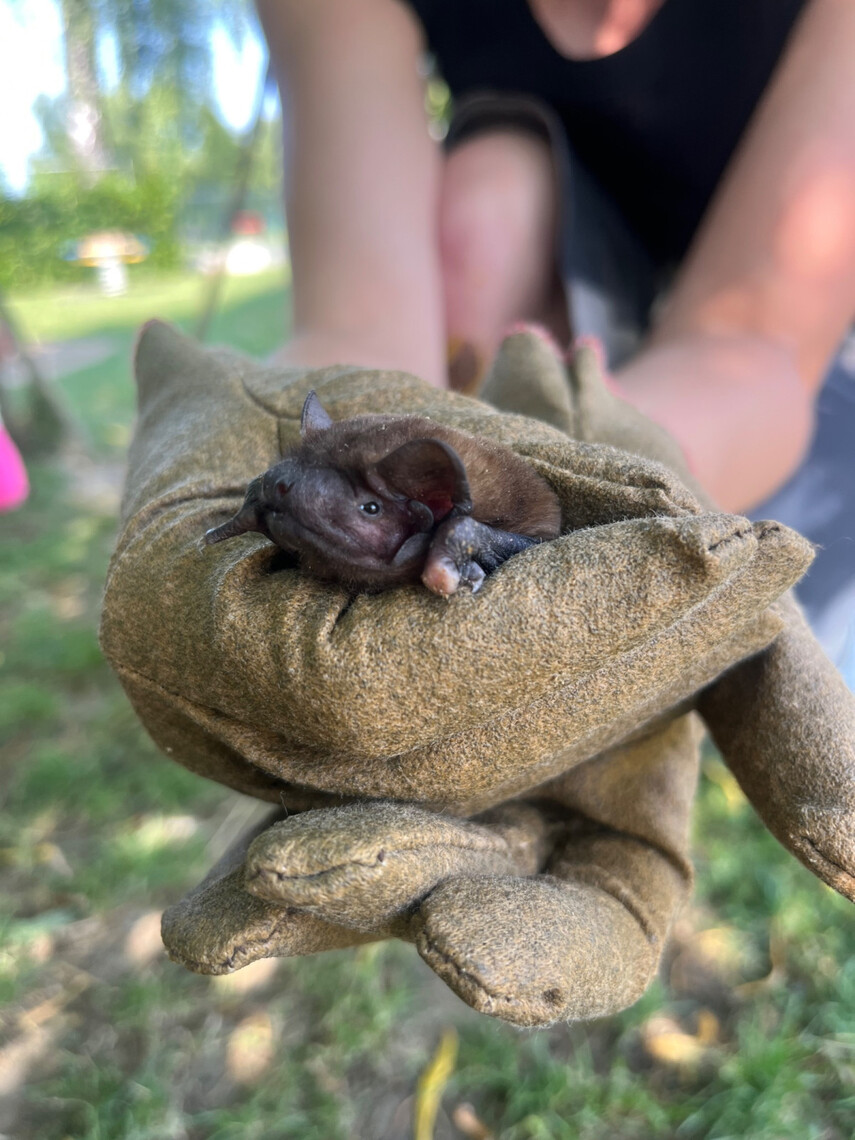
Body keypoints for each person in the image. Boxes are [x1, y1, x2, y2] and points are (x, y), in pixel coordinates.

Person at [257, 0, 855, 674]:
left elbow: (752, 332)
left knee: (791, 614)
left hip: (769, 296)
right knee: (490, 202)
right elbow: (357, 320)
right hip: (546, 248)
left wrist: (600, 475)